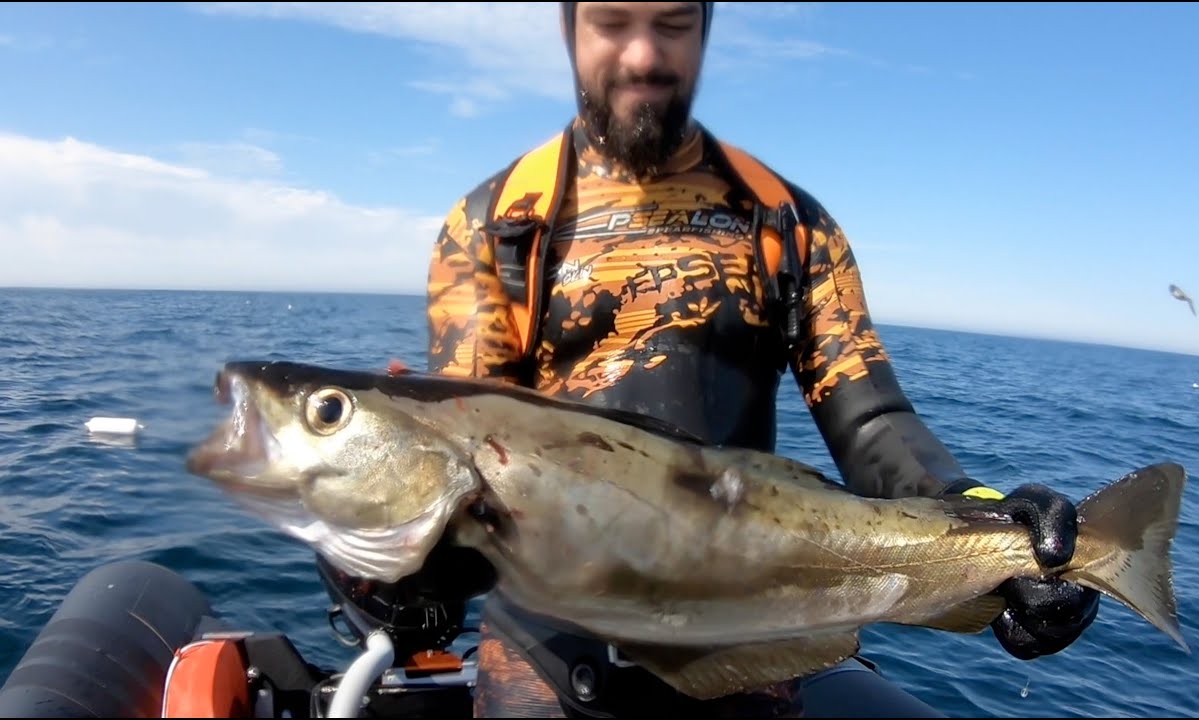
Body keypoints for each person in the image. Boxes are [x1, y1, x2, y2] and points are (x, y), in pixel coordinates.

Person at [419, 2, 1100, 716]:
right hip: (546, 668)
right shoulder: (498, 223)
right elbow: (465, 440)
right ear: (568, 29)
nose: (644, 55)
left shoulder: (786, 221)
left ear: (707, 31)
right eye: (613, 23)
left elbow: (871, 421)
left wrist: (984, 518)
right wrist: (408, 559)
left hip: (755, 662)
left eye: (674, 25)